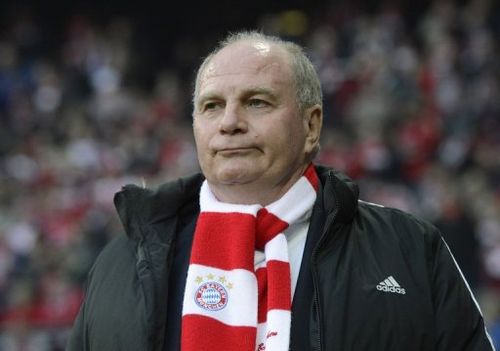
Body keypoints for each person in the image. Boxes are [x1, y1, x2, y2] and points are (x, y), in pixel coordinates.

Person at [67, 31, 495, 351]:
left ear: (311, 125)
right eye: (211, 106)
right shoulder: (123, 261)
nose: (229, 122)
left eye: (257, 102)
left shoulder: (409, 248)